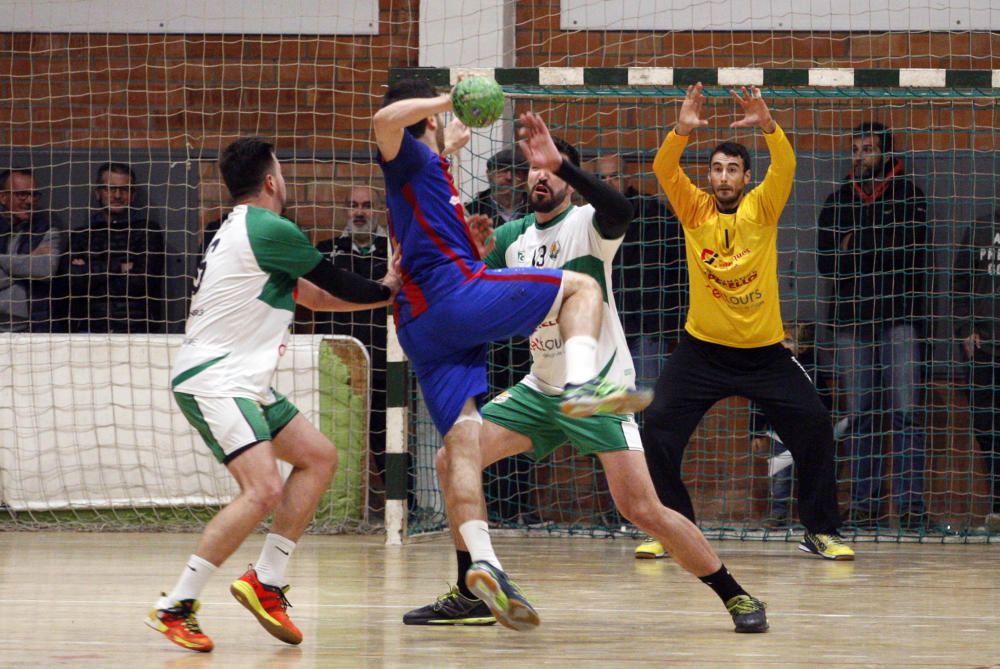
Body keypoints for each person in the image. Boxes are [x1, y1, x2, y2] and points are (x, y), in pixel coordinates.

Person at [401, 118, 769, 634]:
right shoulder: (511, 237)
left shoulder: (590, 225)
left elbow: (623, 209)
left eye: (547, 169)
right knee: (452, 456)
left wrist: (564, 162)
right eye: (530, 169)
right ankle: (471, 591)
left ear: (567, 180)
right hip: (542, 389)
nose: (537, 178)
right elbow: (463, 269)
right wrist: (468, 250)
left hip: (598, 388)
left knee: (642, 508)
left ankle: (735, 594)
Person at [372, 77, 651, 631]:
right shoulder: (406, 157)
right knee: (580, 288)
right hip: (453, 298)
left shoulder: (435, 172)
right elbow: (384, 122)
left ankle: (483, 567)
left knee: (461, 450)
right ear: (422, 122)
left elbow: (436, 180)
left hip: (421, 326)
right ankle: (580, 385)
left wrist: (451, 146)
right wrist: (448, 98)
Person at [146, 137, 400, 653]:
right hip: (216, 379)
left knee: (318, 458)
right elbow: (337, 281)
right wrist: (387, 287)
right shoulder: (269, 228)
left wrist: (383, 295)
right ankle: (177, 603)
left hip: (242, 380)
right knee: (261, 490)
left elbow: (313, 296)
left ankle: (266, 578)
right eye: (281, 171)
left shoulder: (239, 231)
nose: (284, 179)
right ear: (270, 180)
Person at [637, 83, 854, 561]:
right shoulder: (694, 210)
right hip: (702, 351)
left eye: (732, 169)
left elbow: (787, 166)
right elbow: (663, 169)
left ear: (746, 176)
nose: (723, 177)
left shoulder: (762, 208)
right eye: (716, 169)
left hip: (763, 355)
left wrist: (769, 125)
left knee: (815, 426)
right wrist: (680, 130)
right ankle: (674, 527)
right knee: (655, 425)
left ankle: (820, 531)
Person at [817, 121, 930, 530]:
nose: (860, 156)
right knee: (861, 414)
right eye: (855, 149)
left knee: (906, 413)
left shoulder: (910, 195)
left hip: (900, 318)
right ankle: (863, 505)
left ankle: (911, 506)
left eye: (868, 148)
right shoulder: (837, 200)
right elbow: (827, 263)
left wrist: (855, 243)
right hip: (850, 320)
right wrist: (875, 242)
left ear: (884, 152)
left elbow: (910, 255)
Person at [312, 183, 391, 493]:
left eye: (366, 205)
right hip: (339, 367)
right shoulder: (325, 253)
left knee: (387, 437)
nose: (359, 211)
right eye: (353, 205)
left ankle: (404, 508)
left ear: (380, 211)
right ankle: (332, 505)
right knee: (337, 437)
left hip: (386, 361)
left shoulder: (395, 254)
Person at [595, 153, 685, 387]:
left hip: (648, 329)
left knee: (645, 402)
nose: (608, 183)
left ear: (628, 177)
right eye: (601, 177)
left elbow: (680, 268)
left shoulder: (654, 214)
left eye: (614, 176)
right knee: (606, 404)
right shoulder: (588, 219)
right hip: (603, 327)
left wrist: (670, 322)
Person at [747, 323, 833, 529]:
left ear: (802, 347)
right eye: (780, 340)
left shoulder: (810, 369)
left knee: (813, 472)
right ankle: (778, 512)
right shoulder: (771, 368)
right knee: (781, 473)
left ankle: (815, 514)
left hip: (807, 429)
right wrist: (756, 432)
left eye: (788, 340)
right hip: (780, 430)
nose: (782, 345)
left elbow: (824, 399)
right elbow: (759, 402)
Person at [67, 161, 168, 333]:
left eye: (125, 189)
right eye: (110, 188)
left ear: (133, 194)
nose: (118, 195)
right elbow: (71, 281)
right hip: (88, 331)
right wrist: (119, 267)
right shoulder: (81, 234)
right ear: (98, 193)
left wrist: (90, 272)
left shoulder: (148, 230)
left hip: (136, 329)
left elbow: (142, 282)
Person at [952, 206, 1000, 534]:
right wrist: (965, 328)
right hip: (985, 345)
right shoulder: (981, 227)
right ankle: (997, 507)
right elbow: (961, 283)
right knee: (987, 428)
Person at [0, 167, 66, 332]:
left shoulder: (47, 230)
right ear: (3, 197)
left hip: (34, 328)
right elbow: (33, 267)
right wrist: (29, 258)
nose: (29, 201)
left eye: (34, 195)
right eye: (22, 194)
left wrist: (2, 262)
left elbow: (46, 269)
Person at [464, 147, 529, 225]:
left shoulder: (538, 210)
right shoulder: (471, 211)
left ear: (526, 178)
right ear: (489, 174)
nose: (509, 177)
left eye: (517, 172)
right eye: (502, 170)